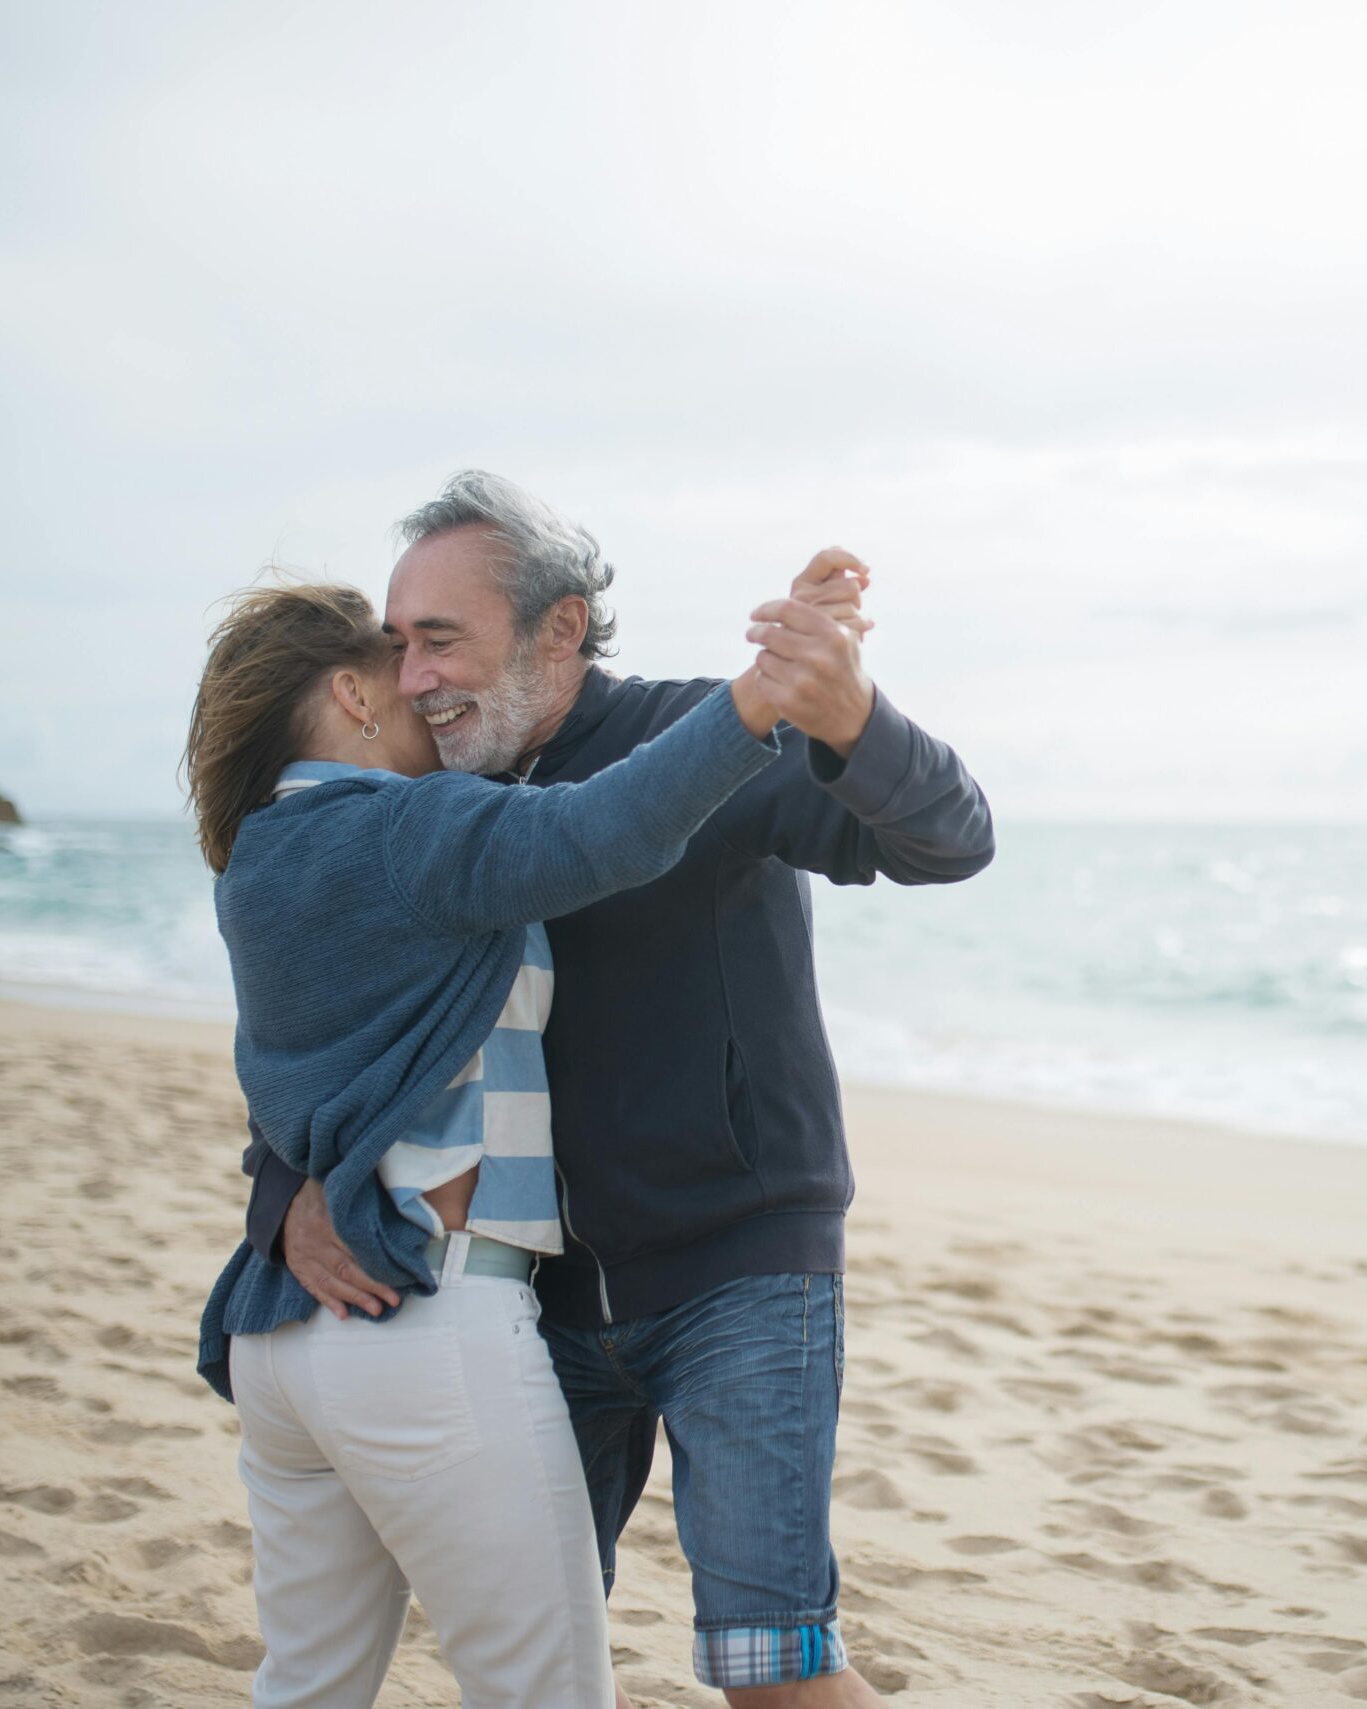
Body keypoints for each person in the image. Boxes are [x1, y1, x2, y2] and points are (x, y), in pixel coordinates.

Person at [240, 472, 995, 1705]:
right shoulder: (432, 799)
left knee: (769, 1661)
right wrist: (288, 1187)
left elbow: (949, 839)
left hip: (734, 1269)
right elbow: (320, 1016)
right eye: (401, 647)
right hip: (532, 1302)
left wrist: (852, 716)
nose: (416, 676)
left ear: (560, 628)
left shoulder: (706, 739)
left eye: (441, 639)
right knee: (533, 1651)